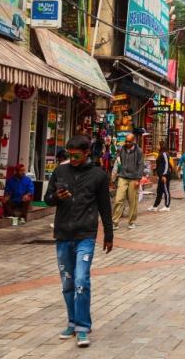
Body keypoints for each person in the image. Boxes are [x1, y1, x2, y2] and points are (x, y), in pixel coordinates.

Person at [44, 135, 113, 348]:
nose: (72, 159)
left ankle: (83, 327)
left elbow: (104, 207)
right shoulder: (59, 171)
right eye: (69, 155)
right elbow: (46, 199)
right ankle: (72, 322)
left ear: (86, 154)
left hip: (86, 235)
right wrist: (58, 196)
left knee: (81, 281)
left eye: (76, 156)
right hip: (63, 234)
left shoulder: (98, 176)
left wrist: (109, 235)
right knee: (68, 282)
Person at [112, 133, 144, 230]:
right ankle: (115, 222)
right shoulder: (122, 149)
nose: (127, 143)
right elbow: (118, 161)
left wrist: (138, 179)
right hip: (123, 176)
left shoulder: (139, 151)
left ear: (133, 141)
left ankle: (131, 222)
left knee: (132, 201)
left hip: (134, 178)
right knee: (118, 199)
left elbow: (140, 165)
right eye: (126, 141)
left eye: (129, 141)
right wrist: (116, 174)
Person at [151, 142, 172, 212]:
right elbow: (161, 164)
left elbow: (166, 165)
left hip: (164, 176)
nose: (157, 146)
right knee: (159, 191)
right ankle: (155, 206)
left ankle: (167, 206)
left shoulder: (164, 153)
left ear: (161, 146)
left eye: (158, 145)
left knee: (166, 190)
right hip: (161, 176)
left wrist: (164, 175)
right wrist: (156, 168)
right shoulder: (160, 153)